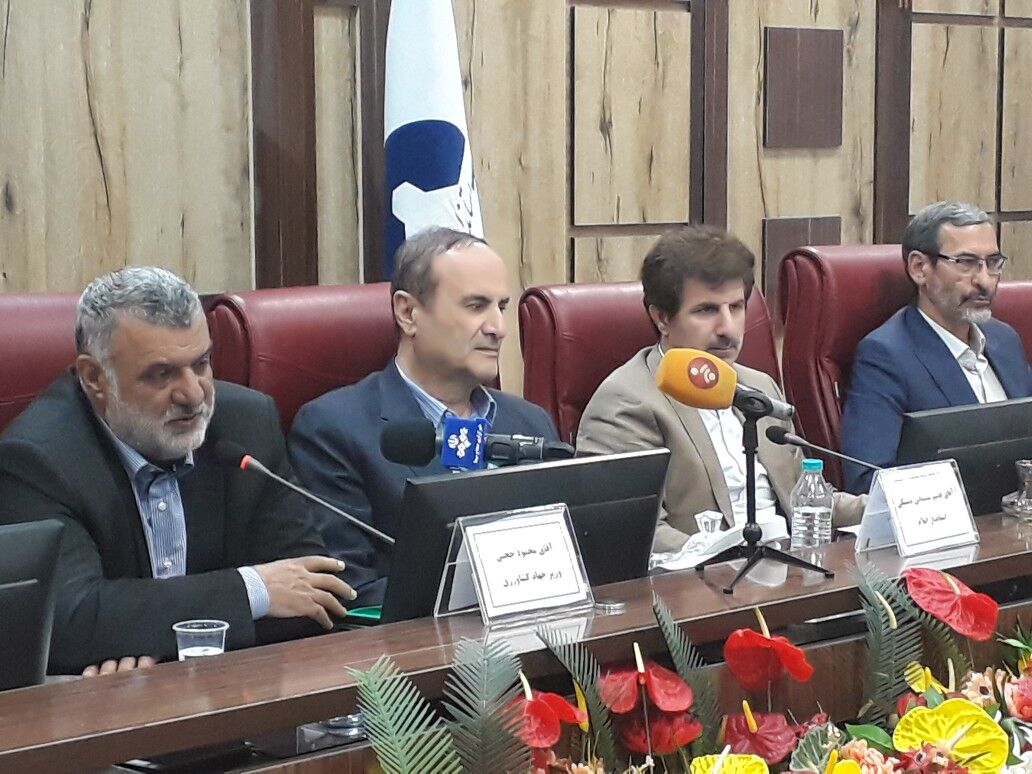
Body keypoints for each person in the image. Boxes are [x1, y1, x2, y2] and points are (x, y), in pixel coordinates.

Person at [0, 267, 356, 676]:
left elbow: (313, 594)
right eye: (162, 374)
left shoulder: (246, 424)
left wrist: (156, 643)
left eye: (201, 363)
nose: (193, 394)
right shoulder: (37, 459)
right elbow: (65, 619)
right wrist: (251, 591)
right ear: (95, 378)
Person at [289, 228, 558, 604]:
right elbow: (350, 588)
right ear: (408, 313)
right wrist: (494, 592)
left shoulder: (530, 423)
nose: (498, 328)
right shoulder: (334, 429)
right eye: (475, 306)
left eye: (501, 307)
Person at [577, 225, 864, 553]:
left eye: (736, 307)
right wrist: (729, 557)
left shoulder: (759, 387)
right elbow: (636, 533)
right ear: (662, 318)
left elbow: (807, 498)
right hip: (710, 578)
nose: (728, 328)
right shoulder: (625, 402)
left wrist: (889, 504)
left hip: (790, 568)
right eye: (707, 310)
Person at [840, 201, 1032, 493]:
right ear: (919, 268)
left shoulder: (1004, 340)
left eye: (992, 263)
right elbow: (867, 480)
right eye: (965, 262)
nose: (984, 281)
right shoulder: (885, 356)